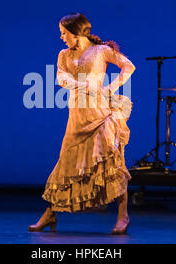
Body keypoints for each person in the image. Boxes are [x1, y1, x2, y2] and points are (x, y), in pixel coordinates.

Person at [28, 13, 135, 234]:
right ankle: (50, 214)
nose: (62, 37)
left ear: (77, 32)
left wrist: (110, 88)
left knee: (112, 162)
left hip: (100, 113)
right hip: (77, 115)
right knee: (66, 163)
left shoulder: (101, 51)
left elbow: (128, 67)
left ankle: (123, 215)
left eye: (64, 33)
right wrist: (80, 84)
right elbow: (60, 77)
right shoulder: (63, 55)